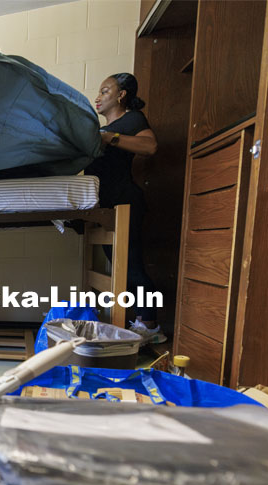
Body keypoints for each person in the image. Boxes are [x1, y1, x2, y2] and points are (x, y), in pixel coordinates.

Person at [84, 72, 166, 344]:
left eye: (105, 91)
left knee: (131, 266)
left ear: (121, 95)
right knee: (120, 266)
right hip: (107, 203)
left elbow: (150, 146)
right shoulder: (102, 129)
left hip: (125, 199)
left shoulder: (131, 120)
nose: (98, 97)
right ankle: (141, 321)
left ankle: (150, 325)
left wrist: (110, 138)